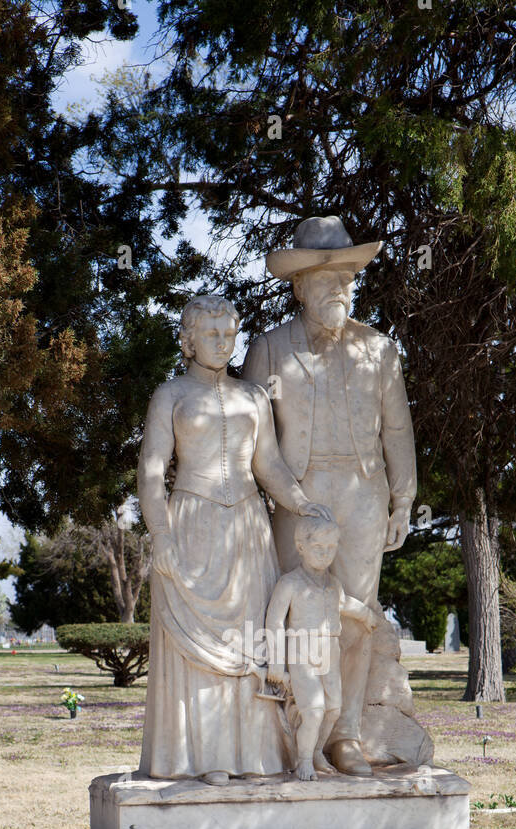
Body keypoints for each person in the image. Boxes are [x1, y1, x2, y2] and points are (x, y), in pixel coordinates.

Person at [243, 214, 417, 777]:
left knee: (355, 618)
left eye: (346, 277)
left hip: (364, 497)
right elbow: (248, 435)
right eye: (324, 278)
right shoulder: (268, 350)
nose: (338, 287)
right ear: (298, 286)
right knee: (297, 617)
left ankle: (343, 735)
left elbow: (397, 429)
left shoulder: (380, 349)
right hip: (296, 495)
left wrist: (403, 501)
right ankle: (291, 738)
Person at [137, 293, 330, 783]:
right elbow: (152, 470)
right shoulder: (171, 395)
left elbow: (268, 465)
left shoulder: (254, 397)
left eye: (229, 335)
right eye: (211, 335)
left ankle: (256, 757)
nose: (223, 344)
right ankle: (201, 760)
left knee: (250, 645)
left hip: (247, 528)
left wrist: (303, 504)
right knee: (199, 655)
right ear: (188, 339)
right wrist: (160, 533)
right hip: (191, 525)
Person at [265, 515, 375, 781]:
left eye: (331, 548)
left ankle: (314, 751)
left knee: (333, 708)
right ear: (301, 547)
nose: (326, 554)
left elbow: (345, 603)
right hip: (302, 652)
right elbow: (274, 621)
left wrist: (366, 616)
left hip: (329, 651)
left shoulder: (333, 584)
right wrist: (277, 662)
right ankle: (303, 761)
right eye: (318, 548)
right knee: (313, 711)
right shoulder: (290, 583)